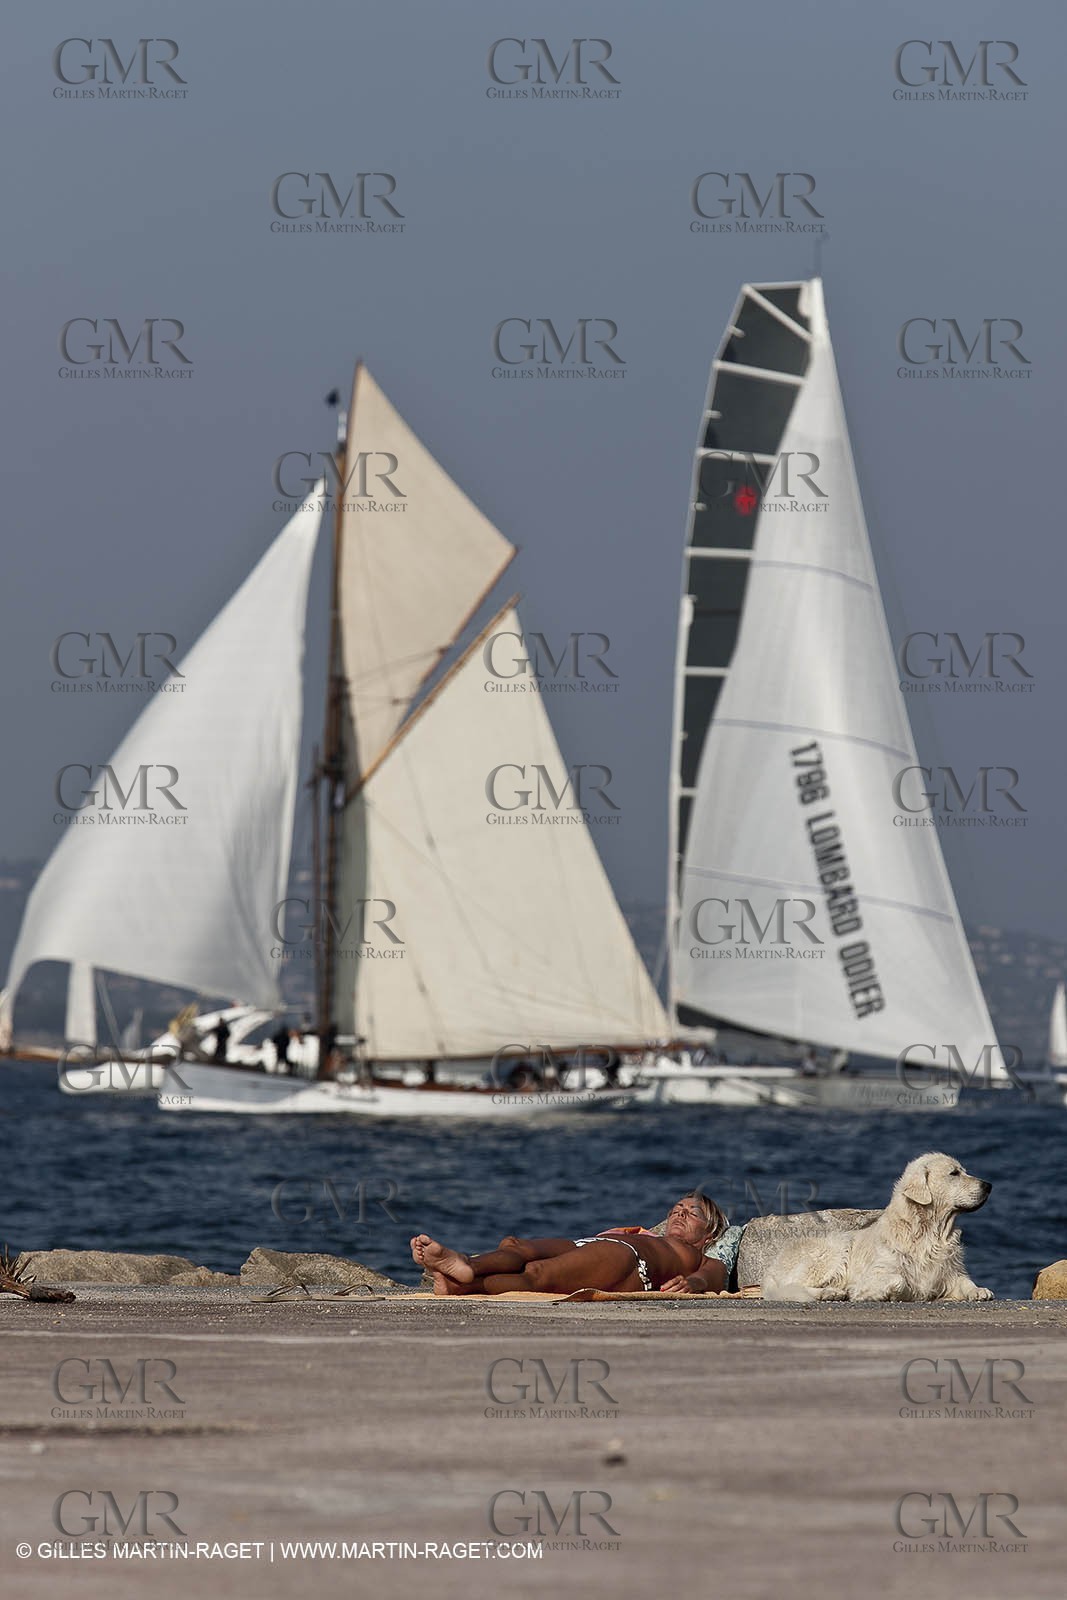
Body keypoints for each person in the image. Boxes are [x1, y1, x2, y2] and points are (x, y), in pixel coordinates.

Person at [410, 1192, 740, 1296]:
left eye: (692, 1213)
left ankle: (466, 1283)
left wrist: (691, 1283)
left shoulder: (700, 1255)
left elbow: (712, 1275)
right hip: (598, 1246)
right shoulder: (651, 1235)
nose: (680, 1214)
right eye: (676, 1209)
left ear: (709, 1233)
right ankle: (467, 1269)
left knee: (539, 1273)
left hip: (627, 1258)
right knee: (519, 1246)